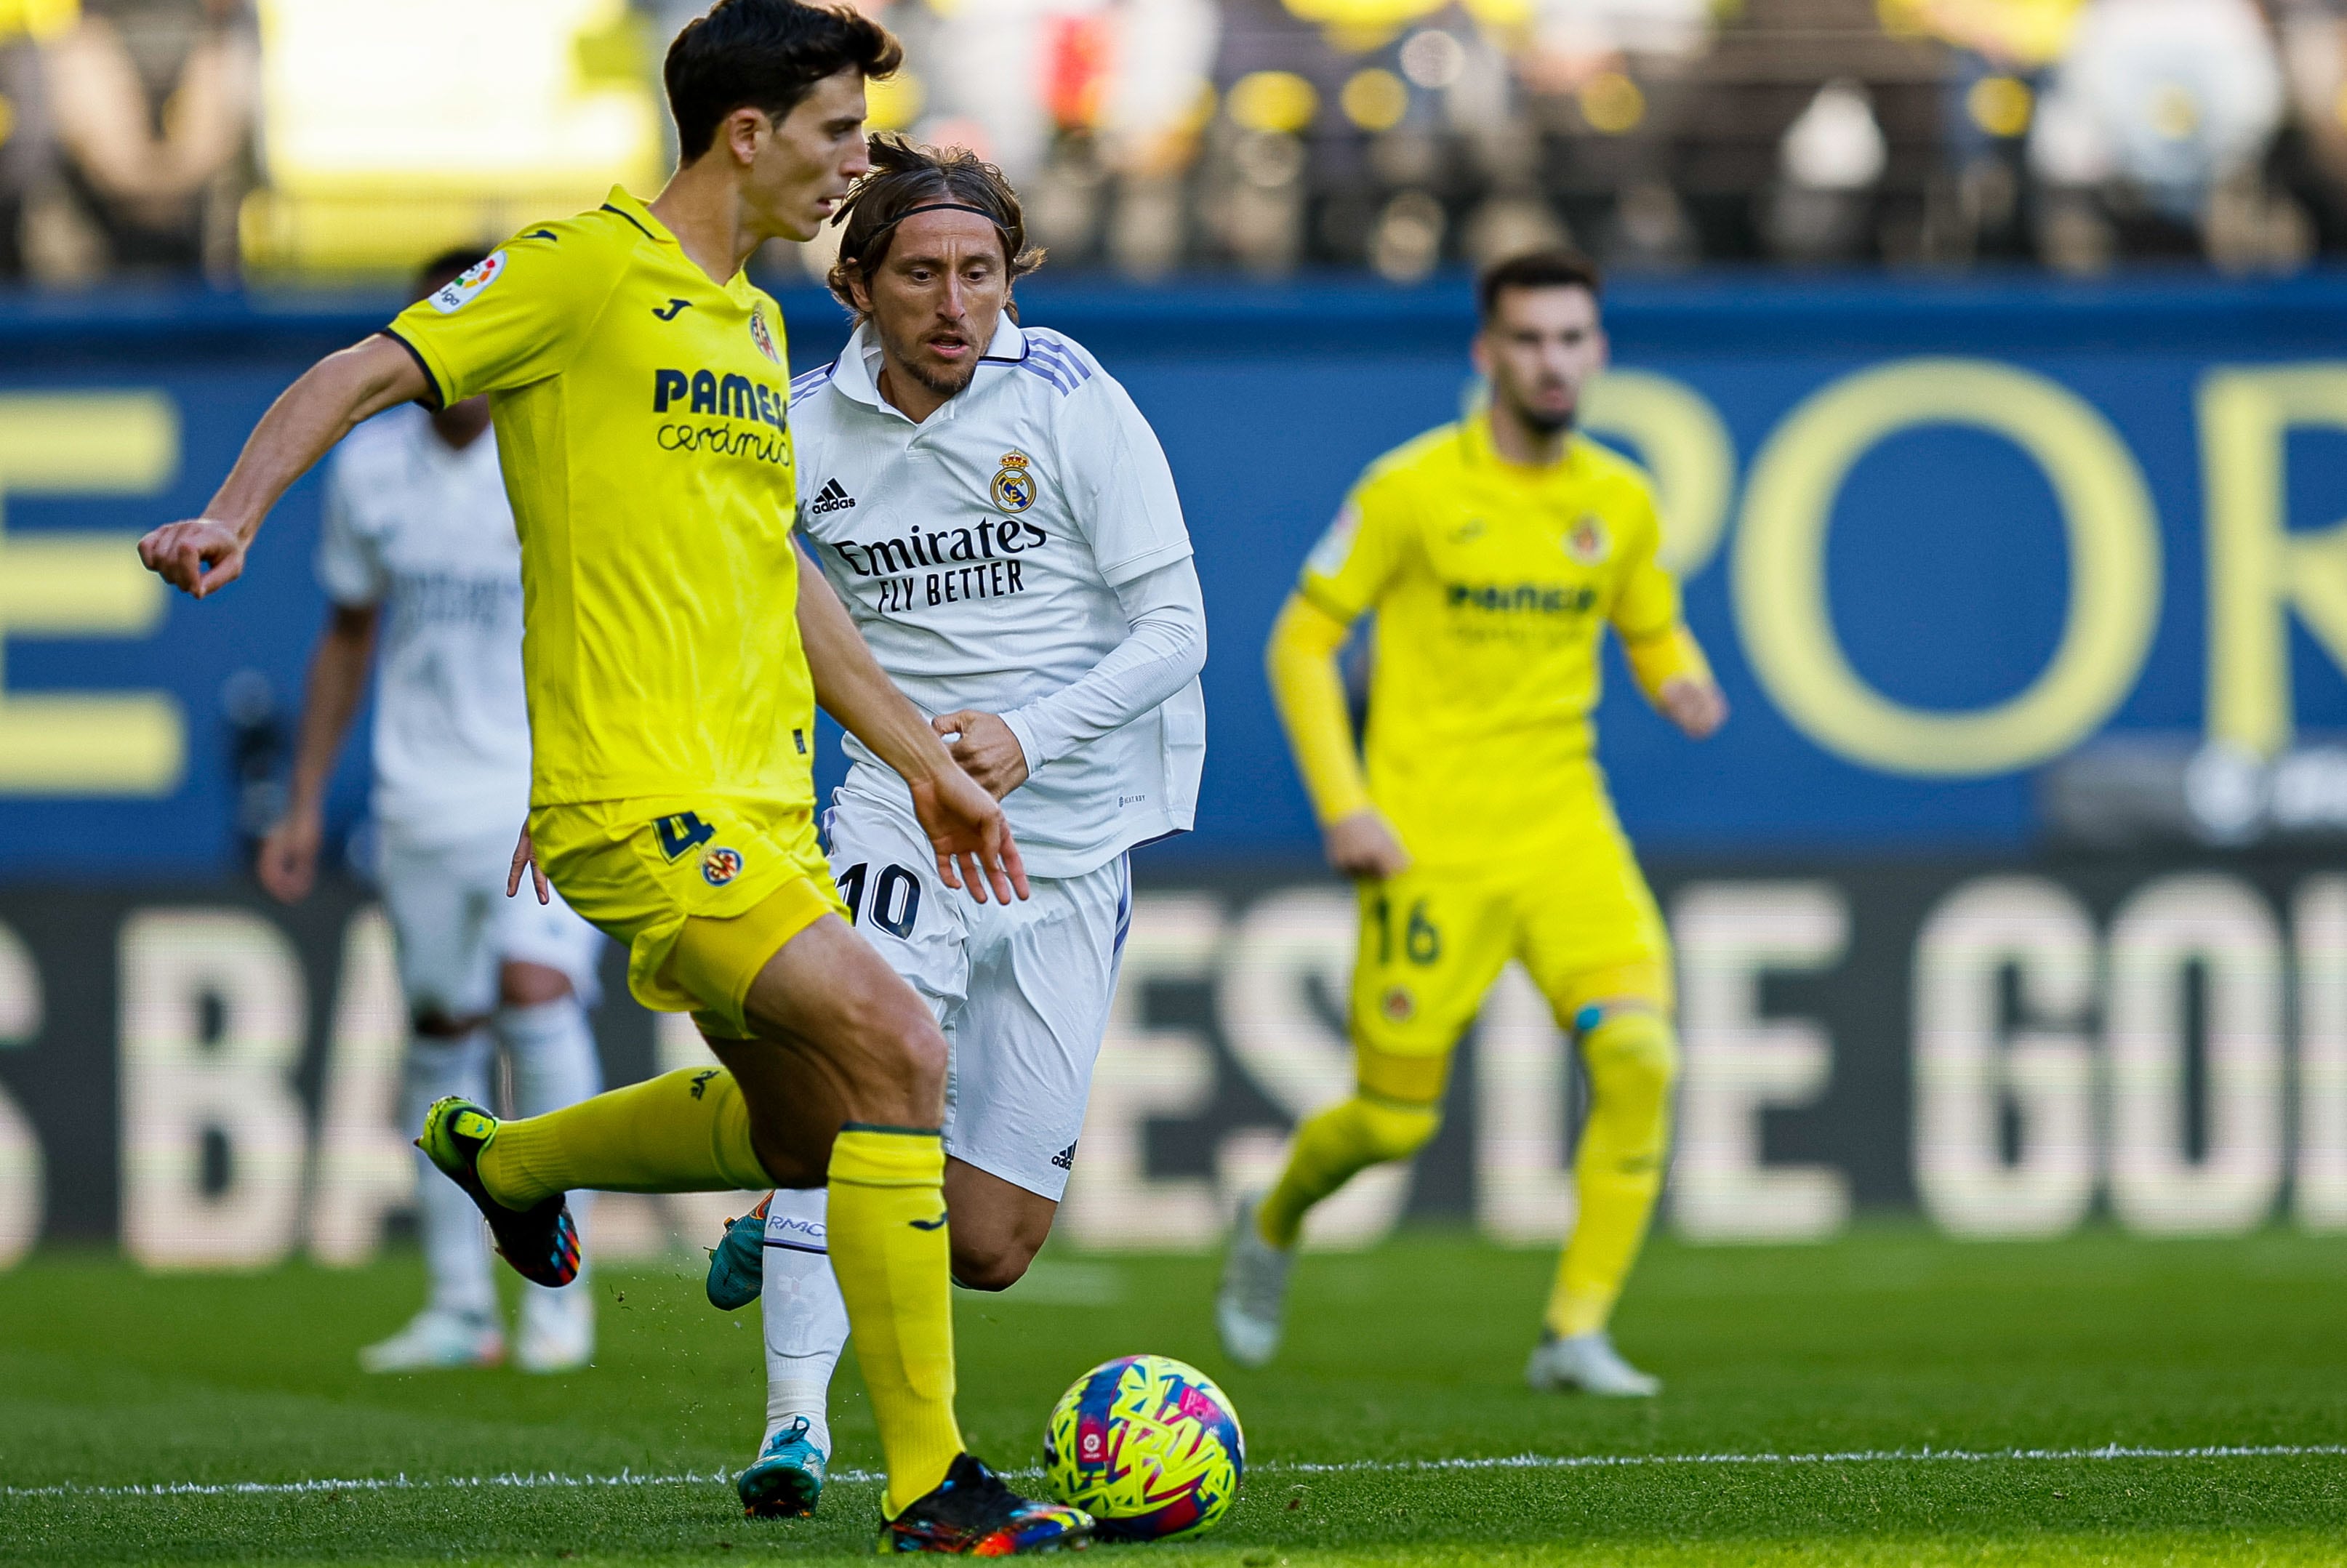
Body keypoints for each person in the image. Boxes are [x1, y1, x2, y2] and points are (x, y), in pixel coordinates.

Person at [134, 1, 1086, 1552]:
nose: (861, 162)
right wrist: (238, 509)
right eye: (841, 132)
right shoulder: (582, 269)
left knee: (806, 1135)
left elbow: (777, 582)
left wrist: (922, 763)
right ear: (751, 134)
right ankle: (933, 1481)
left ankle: (502, 1156)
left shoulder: (757, 326)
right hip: (643, 805)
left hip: (764, 803)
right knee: (900, 1049)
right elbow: (368, 369)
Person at [693, 134, 1206, 1519]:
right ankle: (796, 1426)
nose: (954, 304)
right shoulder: (798, 426)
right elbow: (710, 600)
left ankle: (770, 1191)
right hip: (897, 812)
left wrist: (1028, 734)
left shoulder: (1073, 400)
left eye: (981, 273)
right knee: (866, 1097)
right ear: (857, 283)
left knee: (989, 1241)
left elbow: (1179, 628)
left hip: (1069, 836)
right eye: (920, 272)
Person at [1214, 247, 1727, 1397]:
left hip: (1565, 832)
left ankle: (1574, 1331)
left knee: (1640, 1053)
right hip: (1428, 843)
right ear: (1487, 353)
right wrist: (1347, 808)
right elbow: (1299, 643)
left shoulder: (1620, 500)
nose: (1553, 361)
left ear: (1597, 351)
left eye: (1572, 339)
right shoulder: (1411, 491)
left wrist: (1678, 676)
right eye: (1529, 340)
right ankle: (1277, 1215)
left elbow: (1651, 623)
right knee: (1394, 1122)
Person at [259, 248, 609, 1376]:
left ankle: (560, 1291)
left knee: (532, 991)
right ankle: (461, 1302)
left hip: (534, 790)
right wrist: (306, 797)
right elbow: (348, 633)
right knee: (438, 1027)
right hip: (418, 796)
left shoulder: (553, 454)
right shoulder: (371, 468)